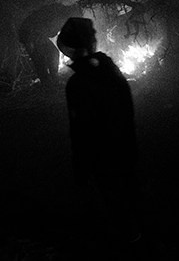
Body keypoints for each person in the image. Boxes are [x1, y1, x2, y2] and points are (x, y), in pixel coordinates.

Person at [56, 17, 142, 248]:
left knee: (113, 198)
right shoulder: (110, 69)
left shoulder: (78, 84)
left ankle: (128, 241)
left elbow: (80, 129)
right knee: (126, 193)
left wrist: (81, 165)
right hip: (125, 146)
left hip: (102, 155)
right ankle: (134, 234)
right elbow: (126, 110)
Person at [18, 2, 82, 86]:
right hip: (30, 32)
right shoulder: (59, 13)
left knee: (50, 54)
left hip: (34, 32)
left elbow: (51, 31)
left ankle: (51, 81)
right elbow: (51, 31)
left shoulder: (60, 11)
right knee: (43, 57)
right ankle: (49, 83)